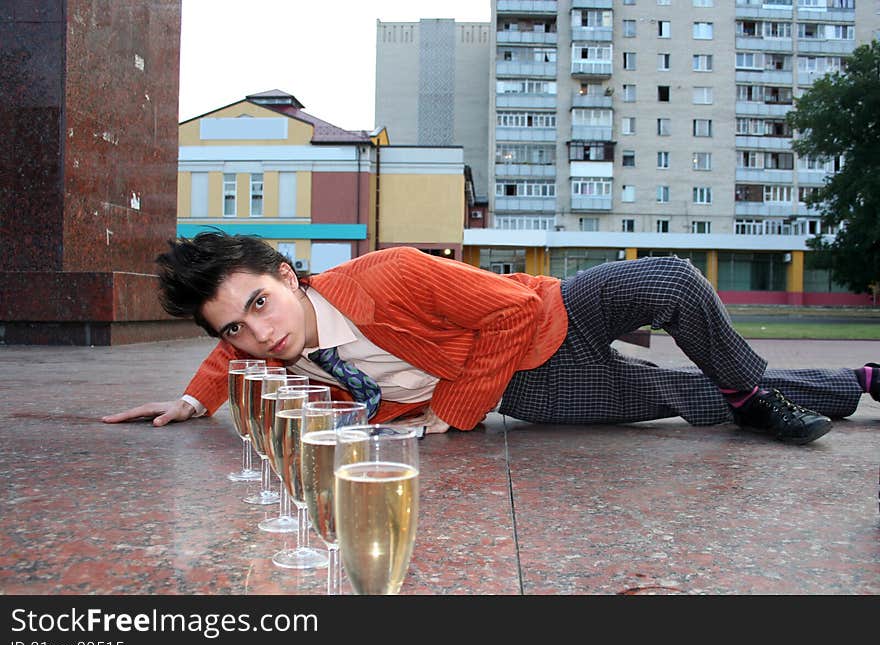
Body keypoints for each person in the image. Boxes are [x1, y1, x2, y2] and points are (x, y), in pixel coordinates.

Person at [104, 232, 879, 444]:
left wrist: (456, 406)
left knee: (671, 280)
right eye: (236, 327)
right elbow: (223, 347)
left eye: (261, 303)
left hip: (549, 315)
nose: (259, 333)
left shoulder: (388, 274)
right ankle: (861, 383)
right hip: (535, 390)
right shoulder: (260, 344)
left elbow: (508, 308)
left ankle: (750, 390)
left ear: (287, 272)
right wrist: (190, 399)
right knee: (684, 396)